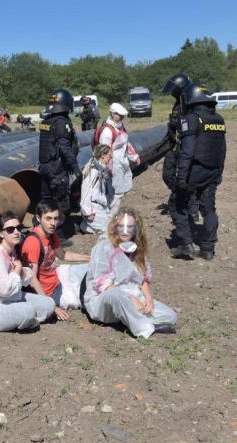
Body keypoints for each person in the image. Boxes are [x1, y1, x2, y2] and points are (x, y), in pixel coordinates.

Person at [84, 208, 178, 338]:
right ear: (115, 226)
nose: (125, 231)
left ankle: (130, 319)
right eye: (121, 226)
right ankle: (144, 328)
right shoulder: (104, 247)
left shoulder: (138, 249)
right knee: (116, 295)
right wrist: (131, 300)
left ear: (136, 228)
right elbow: (103, 284)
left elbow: (143, 278)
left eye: (130, 227)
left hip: (134, 294)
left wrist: (148, 298)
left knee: (170, 316)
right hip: (107, 299)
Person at [0, 211, 56, 331]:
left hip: (10, 299)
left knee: (48, 304)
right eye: (10, 229)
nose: (16, 232)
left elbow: (21, 279)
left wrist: (21, 272)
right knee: (27, 311)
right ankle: (27, 319)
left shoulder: (11, 250)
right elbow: (5, 290)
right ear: (1, 233)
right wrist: (17, 271)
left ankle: (24, 318)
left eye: (18, 228)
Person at [170, 83, 227, 260]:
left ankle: (187, 245)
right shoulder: (218, 119)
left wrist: (181, 177)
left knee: (177, 205)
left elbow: (187, 151)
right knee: (209, 209)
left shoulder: (191, 118)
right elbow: (222, 149)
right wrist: (219, 172)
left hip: (195, 171)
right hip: (213, 171)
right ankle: (208, 249)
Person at [21, 200, 89, 321]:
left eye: (55, 218)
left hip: (59, 276)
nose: (53, 223)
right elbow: (31, 279)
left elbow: (63, 255)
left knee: (94, 268)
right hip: (50, 293)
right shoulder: (33, 242)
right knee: (90, 294)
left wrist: (91, 258)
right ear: (38, 218)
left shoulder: (51, 234)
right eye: (48, 218)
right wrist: (50, 305)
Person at [37, 88, 81, 239]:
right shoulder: (62, 122)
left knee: (45, 202)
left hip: (44, 167)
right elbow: (64, 147)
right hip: (57, 170)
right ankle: (58, 238)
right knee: (60, 203)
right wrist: (75, 167)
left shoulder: (46, 122)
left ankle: (43, 234)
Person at [161, 73, 199, 231]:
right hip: (174, 146)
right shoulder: (179, 103)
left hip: (186, 147)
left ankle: (190, 208)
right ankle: (180, 199)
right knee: (168, 174)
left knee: (187, 177)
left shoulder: (190, 103)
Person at [97, 103, 140, 215]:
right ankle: (111, 218)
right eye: (119, 115)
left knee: (121, 191)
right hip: (114, 166)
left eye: (123, 116)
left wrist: (134, 156)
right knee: (115, 193)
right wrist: (108, 169)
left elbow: (126, 143)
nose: (122, 118)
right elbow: (104, 153)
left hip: (122, 163)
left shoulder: (121, 128)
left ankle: (114, 215)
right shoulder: (107, 131)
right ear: (113, 114)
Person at [79, 144, 114, 234]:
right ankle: (85, 226)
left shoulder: (101, 169)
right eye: (109, 155)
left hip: (101, 205)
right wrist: (88, 212)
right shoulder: (93, 171)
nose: (111, 157)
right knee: (109, 230)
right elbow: (85, 191)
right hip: (93, 209)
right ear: (103, 155)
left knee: (114, 223)